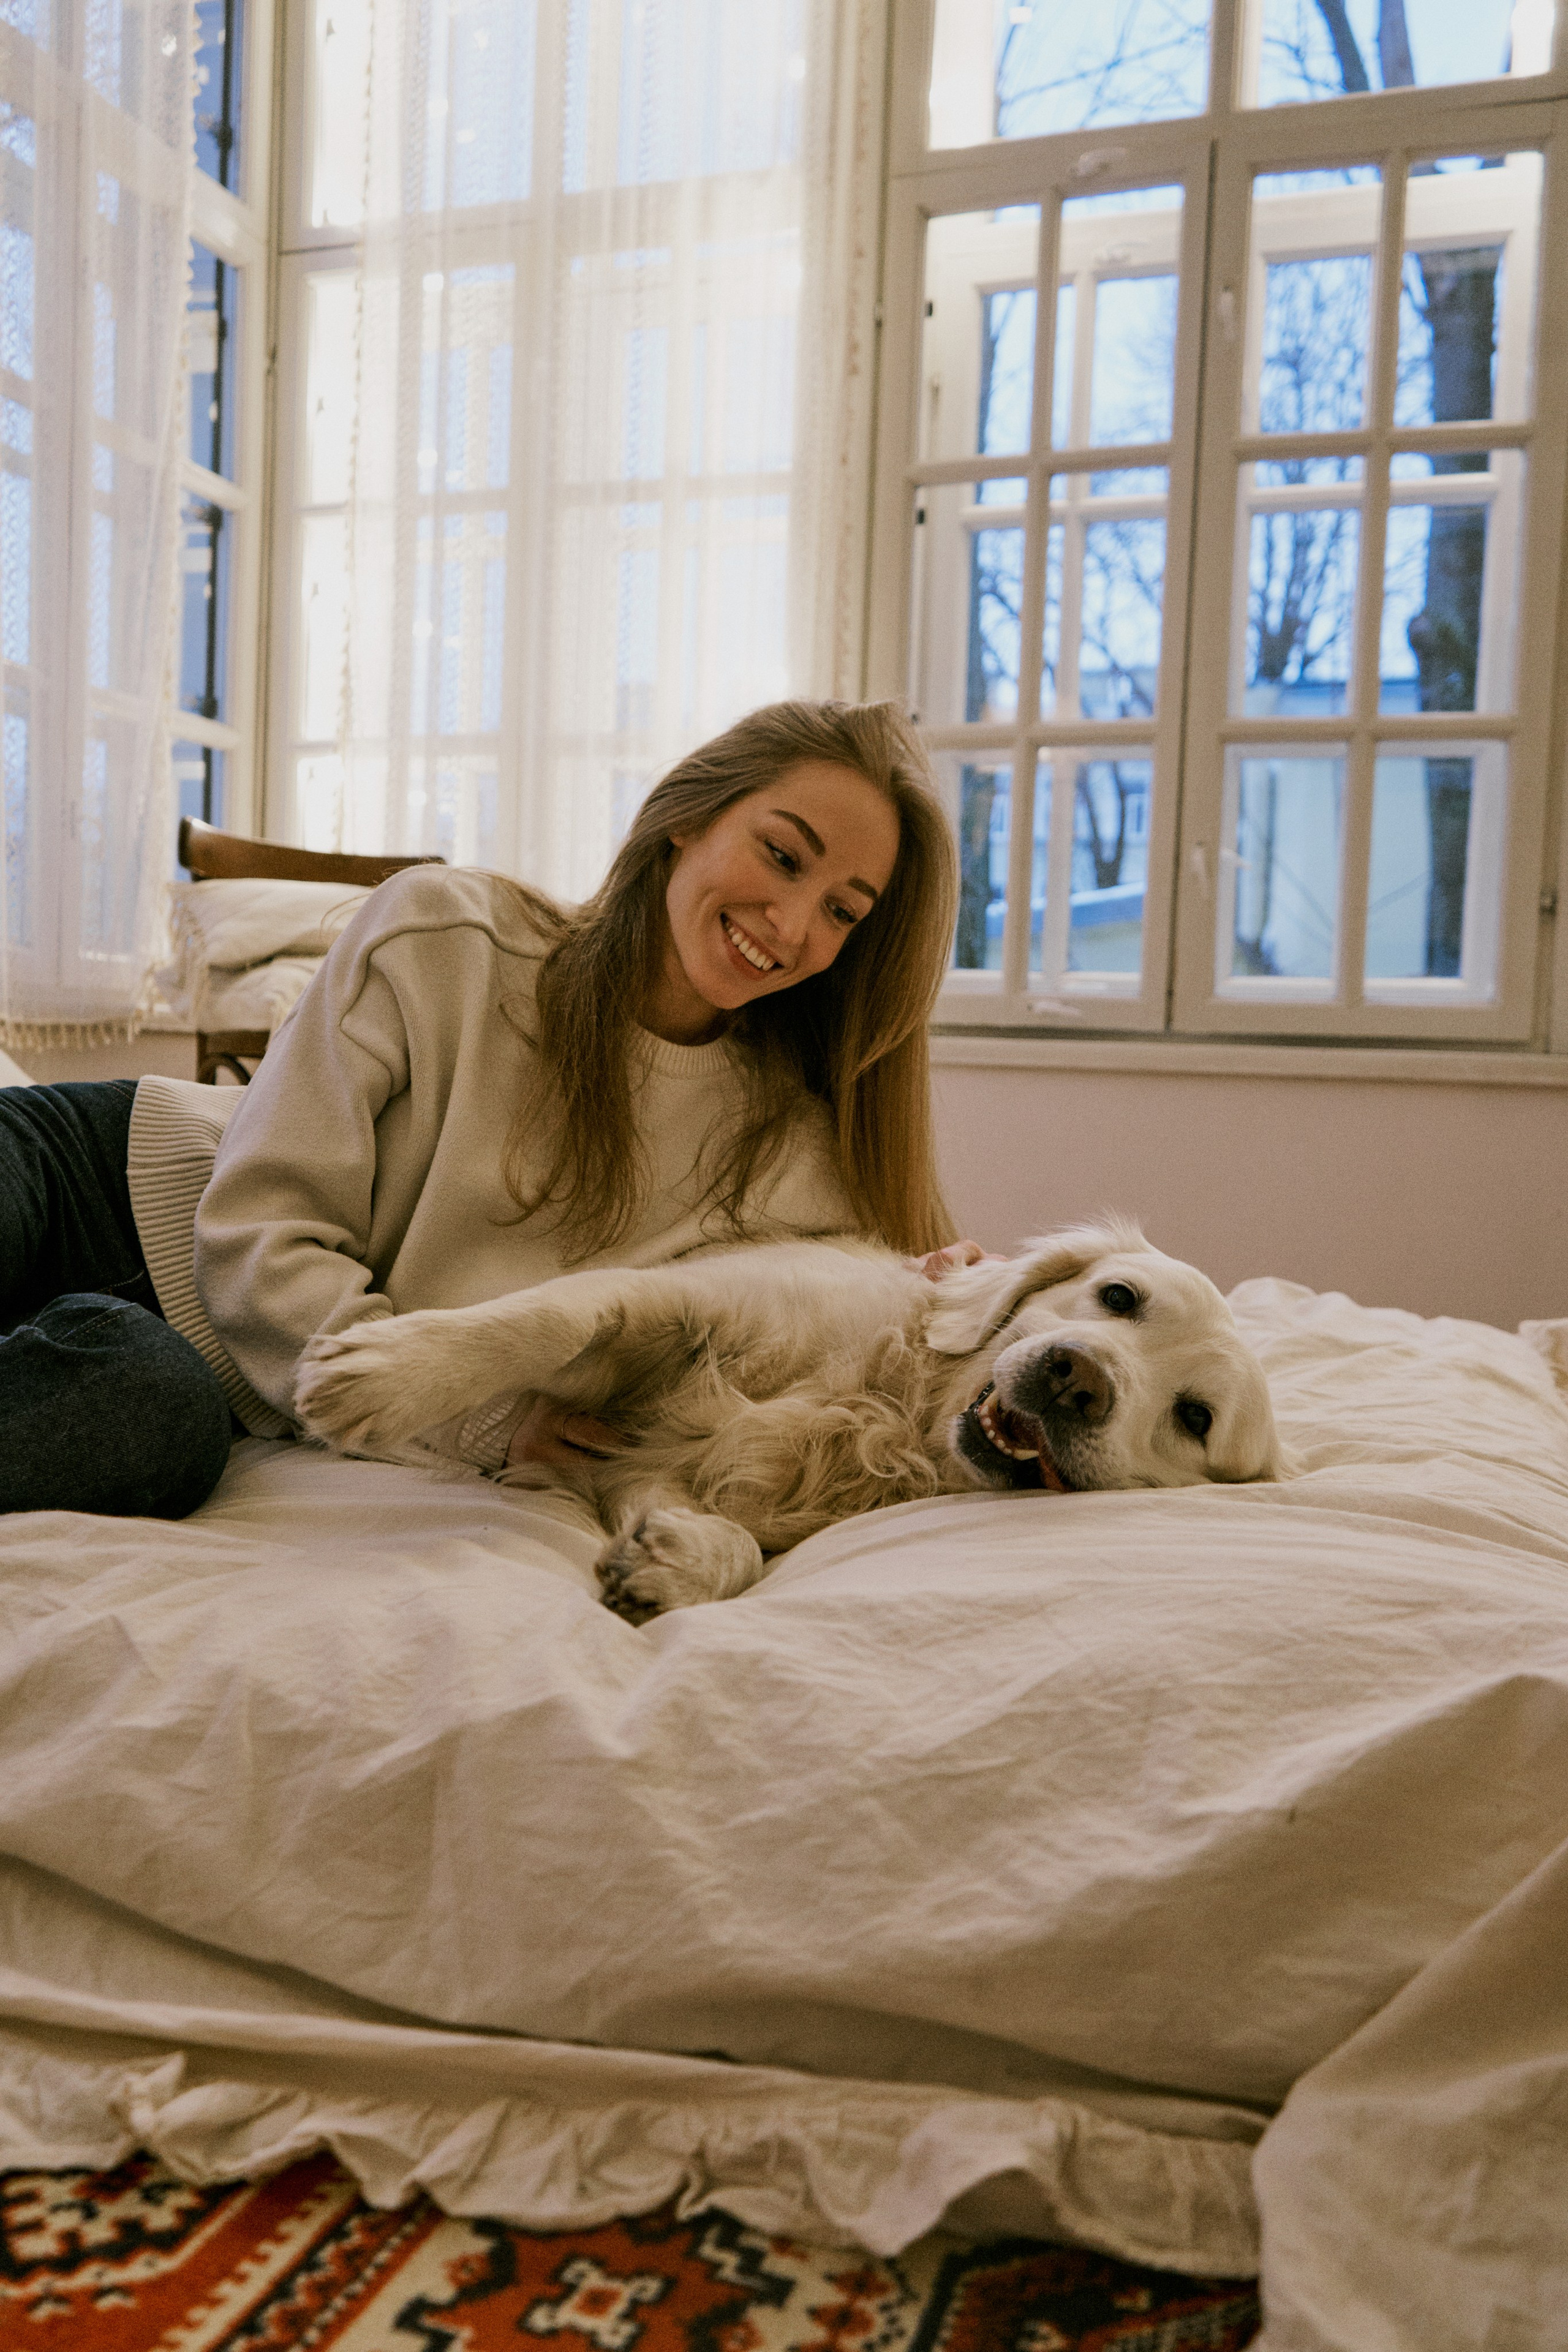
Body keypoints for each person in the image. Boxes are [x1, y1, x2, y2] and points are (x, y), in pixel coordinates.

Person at [0, 699, 968, 1518]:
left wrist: (956, 1297)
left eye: (844, 911)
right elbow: (259, 1228)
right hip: (96, 1181)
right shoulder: (447, 934)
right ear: (690, 818)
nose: (793, 925)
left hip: (178, 1368)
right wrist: (476, 1424)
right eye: (783, 856)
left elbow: (855, 1321)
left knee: (148, 1415)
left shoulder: (792, 1146)